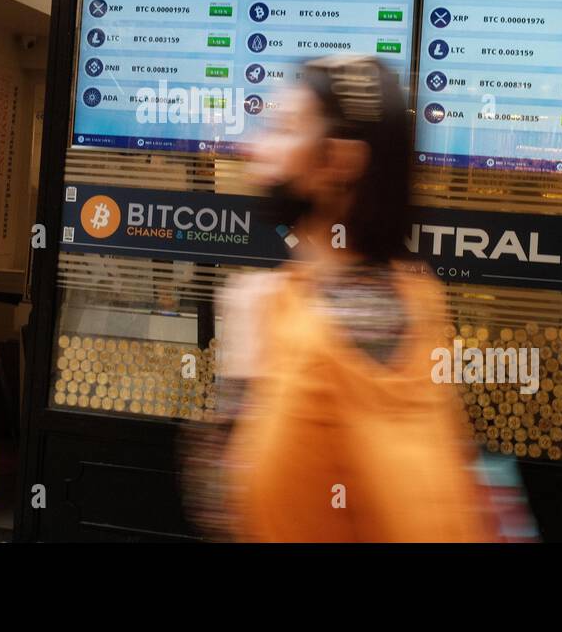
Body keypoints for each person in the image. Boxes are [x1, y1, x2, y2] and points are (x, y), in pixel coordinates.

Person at [182, 55, 534, 542]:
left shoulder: (296, 316)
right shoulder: (416, 297)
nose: (253, 147)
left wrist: (246, 366)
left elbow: (240, 504)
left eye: (285, 127)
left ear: (340, 162)